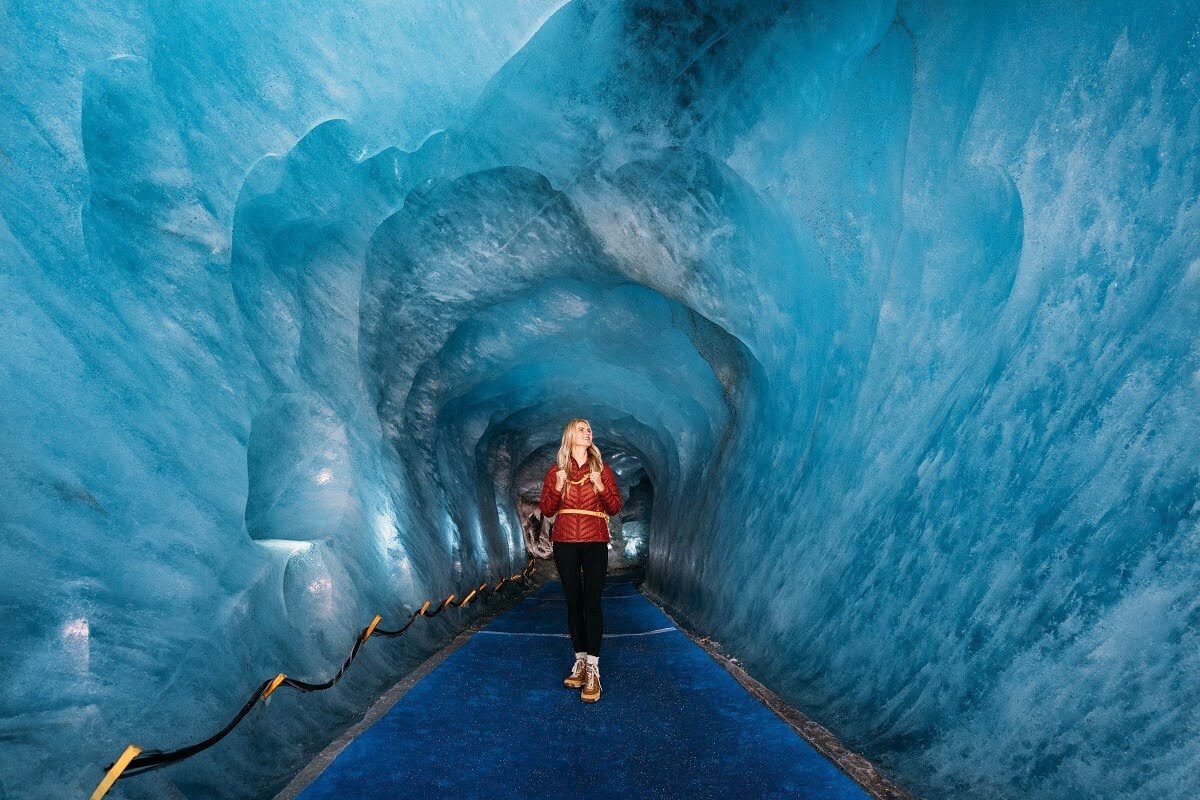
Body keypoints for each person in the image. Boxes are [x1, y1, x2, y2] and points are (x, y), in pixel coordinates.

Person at [539, 418, 622, 703]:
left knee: (592, 603)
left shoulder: (603, 470)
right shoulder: (556, 471)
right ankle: (580, 661)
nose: (588, 432)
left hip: (595, 540)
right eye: (582, 429)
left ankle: (594, 669)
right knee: (573, 603)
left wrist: (599, 486)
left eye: (589, 429)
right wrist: (557, 486)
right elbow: (547, 509)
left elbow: (614, 506)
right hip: (564, 542)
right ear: (570, 436)